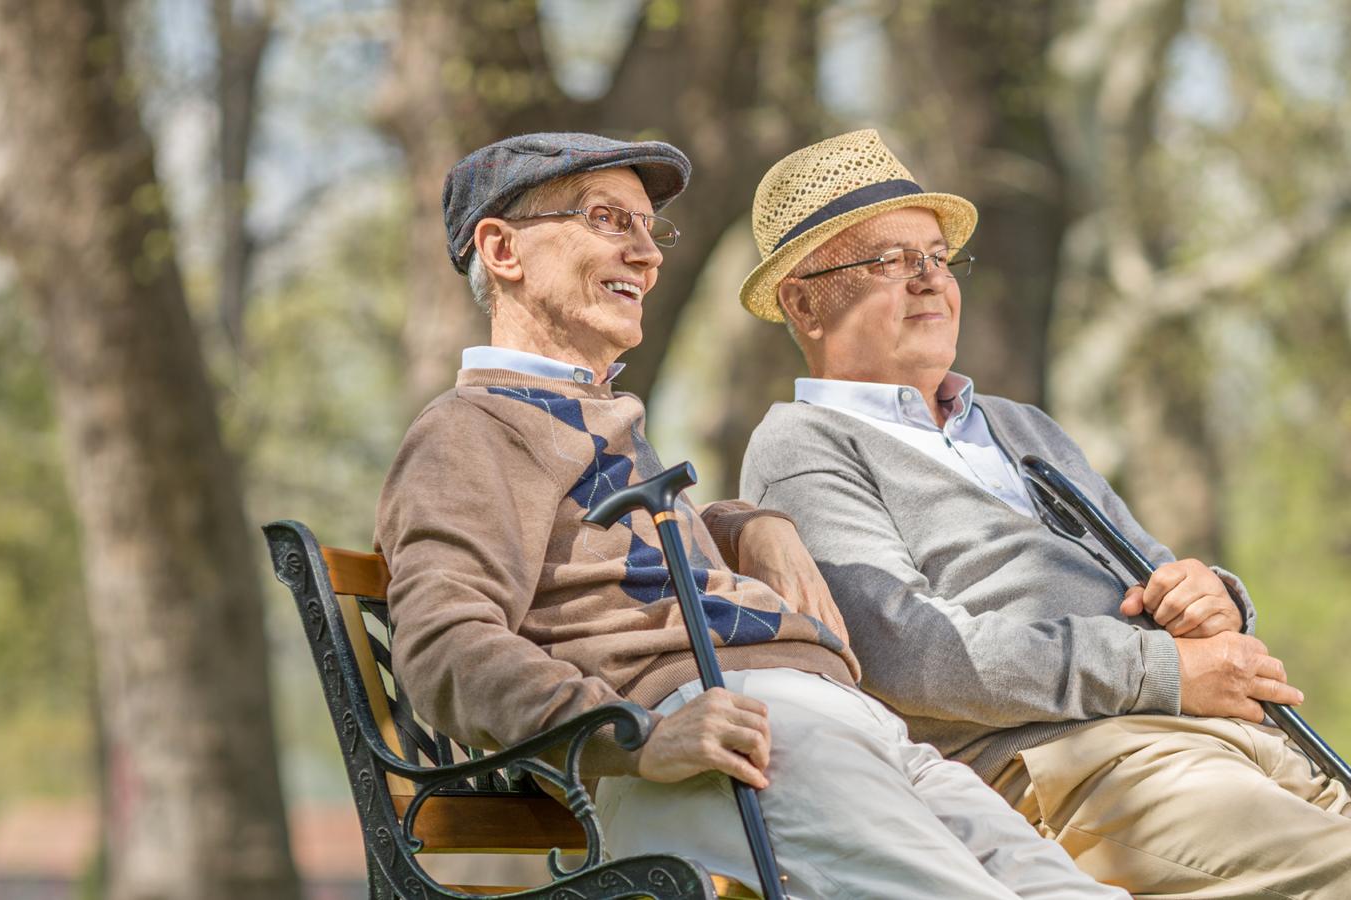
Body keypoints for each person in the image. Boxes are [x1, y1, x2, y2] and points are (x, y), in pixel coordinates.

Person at [737, 129, 1351, 899]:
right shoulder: (801, 444)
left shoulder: (1021, 424)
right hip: (1083, 770)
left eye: (936, 257)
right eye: (889, 262)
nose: (929, 281)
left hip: (1233, 745)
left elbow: (1150, 568)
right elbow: (912, 652)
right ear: (803, 301)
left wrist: (1210, 597)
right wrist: (1165, 669)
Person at [373, 131, 1125, 899]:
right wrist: (635, 738)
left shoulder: (592, 418)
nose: (647, 254)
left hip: (848, 727)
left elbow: (621, 549)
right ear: (502, 249)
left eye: (649, 229)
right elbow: (443, 645)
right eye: (608, 220)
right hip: (726, 744)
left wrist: (747, 524)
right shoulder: (469, 431)